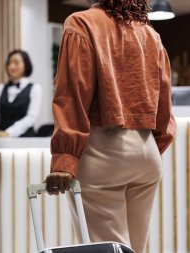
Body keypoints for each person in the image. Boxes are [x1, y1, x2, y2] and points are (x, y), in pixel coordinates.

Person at [45, 1, 176, 253]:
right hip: (147, 154)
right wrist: (151, 145)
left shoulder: (81, 23)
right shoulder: (150, 34)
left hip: (103, 153)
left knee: (108, 250)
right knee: (134, 250)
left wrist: (64, 159)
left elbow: (73, 94)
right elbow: (164, 106)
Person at [0, 50, 42, 137]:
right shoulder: (0, 88)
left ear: (26, 65)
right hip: (3, 141)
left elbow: (31, 117)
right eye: (9, 63)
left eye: (16, 63)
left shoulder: (35, 88)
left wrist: (10, 132)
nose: (11, 66)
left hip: (26, 140)